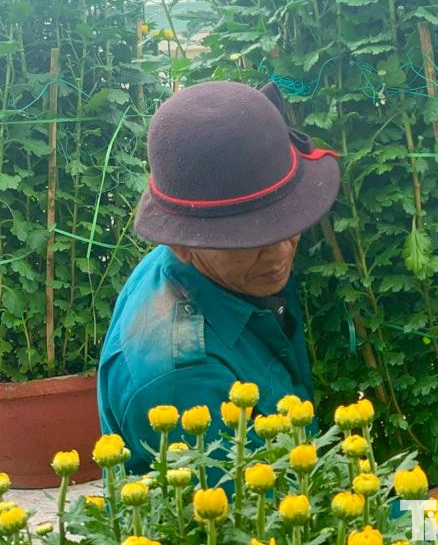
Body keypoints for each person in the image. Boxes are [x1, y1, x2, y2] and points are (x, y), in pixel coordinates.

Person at [97, 81, 340, 471]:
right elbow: (267, 517)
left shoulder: (222, 270)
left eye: (288, 220)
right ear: (181, 243)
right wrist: (433, 519)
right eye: (250, 237)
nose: (280, 251)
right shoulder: (183, 380)